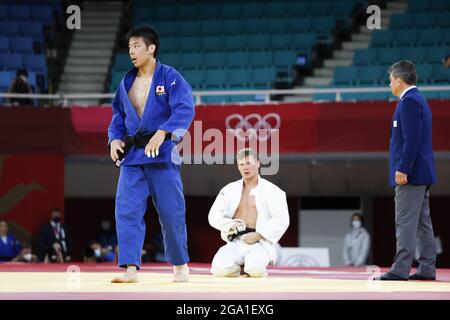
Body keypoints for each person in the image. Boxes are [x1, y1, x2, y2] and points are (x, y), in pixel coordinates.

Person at [108, 26, 195, 283]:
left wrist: (165, 132)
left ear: (151, 47)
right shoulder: (126, 82)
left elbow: (185, 108)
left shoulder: (170, 77)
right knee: (126, 211)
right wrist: (114, 139)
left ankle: (180, 265)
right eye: (129, 47)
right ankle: (131, 269)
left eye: (136, 46)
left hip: (162, 155)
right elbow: (118, 117)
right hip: (133, 156)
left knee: (171, 212)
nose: (132, 52)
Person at [376, 60, 437, 281]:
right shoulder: (417, 99)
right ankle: (427, 268)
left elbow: (412, 139)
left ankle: (400, 269)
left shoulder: (409, 102)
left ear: (399, 81)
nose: (390, 84)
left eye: (391, 80)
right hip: (420, 172)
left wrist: (403, 167)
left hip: (410, 174)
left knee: (405, 222)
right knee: (422, 223)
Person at [208, 148, 290, 278]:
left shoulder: (272, 191)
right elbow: (213, 216)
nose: (245, 167)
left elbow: (282, 219)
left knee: (255, 269)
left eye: (248, 163)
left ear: (257, 163)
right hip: (236, 241)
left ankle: (250, 268)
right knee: (219, 270)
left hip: (259, 243)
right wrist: (230, 225)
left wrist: (258, 235)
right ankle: (240, 269)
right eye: (241, 164)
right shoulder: (229, 190)